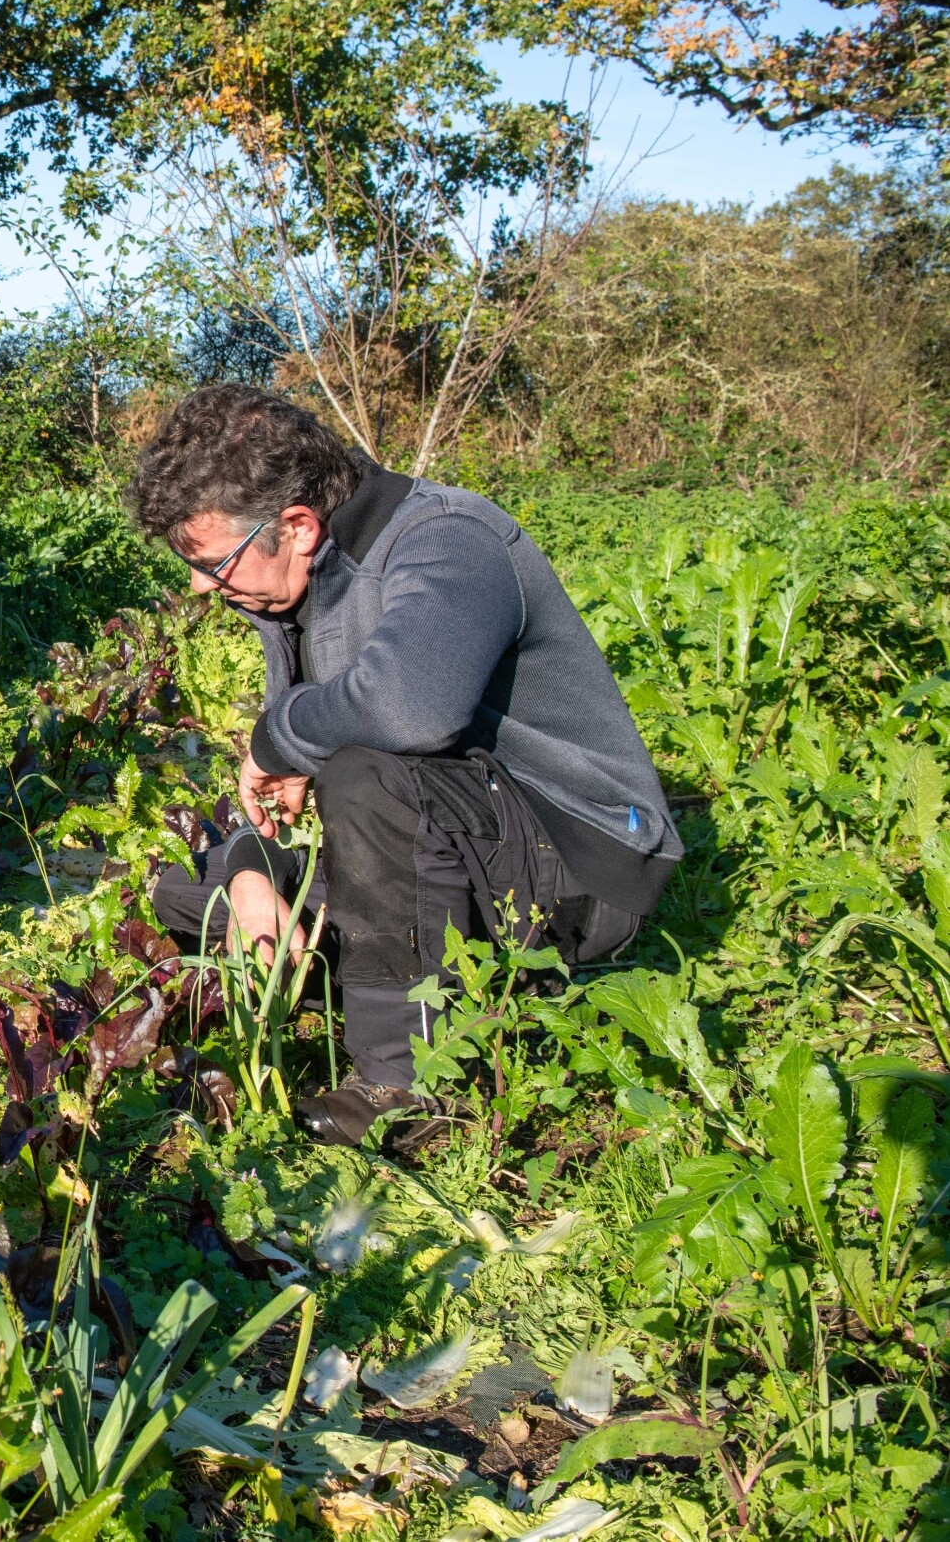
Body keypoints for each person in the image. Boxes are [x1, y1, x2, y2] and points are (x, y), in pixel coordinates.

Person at [127, 384, 682, 1146]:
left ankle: (410, 1083)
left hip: (579, 862)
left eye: (212, 561)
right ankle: (416, 976)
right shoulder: (288, 588)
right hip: (445, 839)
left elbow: (408, 710)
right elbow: (302, 787)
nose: (199, 584)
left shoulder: (445, 539)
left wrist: (274, 736)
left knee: (360, 771)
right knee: (196, 890)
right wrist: (254, 869)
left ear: (296, 525)